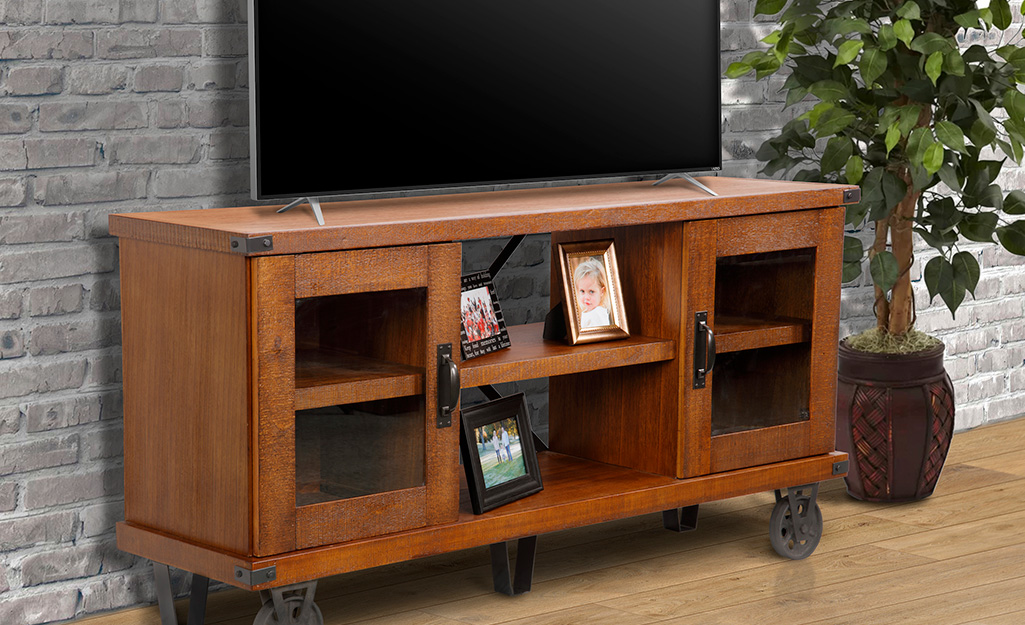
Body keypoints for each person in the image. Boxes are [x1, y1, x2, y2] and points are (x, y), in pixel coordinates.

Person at [573, 257, 611, 328]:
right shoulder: (590, 312)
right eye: (582, 291)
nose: (586, 297)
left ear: (601, 291)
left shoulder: (597, 314)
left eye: (591, 291)